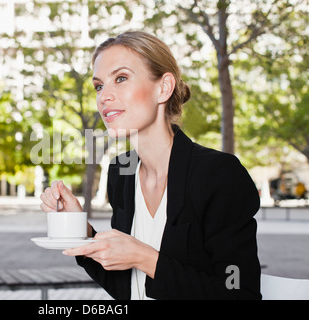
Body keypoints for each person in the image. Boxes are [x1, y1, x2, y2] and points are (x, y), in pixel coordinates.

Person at [40, 31, 261, 300]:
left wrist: (145, 258)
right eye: (99, 86)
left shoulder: (218, 174)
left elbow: (237, 291)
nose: (104, 97)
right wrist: (79, 229)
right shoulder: (122, 172)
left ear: (163, 87)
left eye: (120, 79)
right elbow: (127, 286)